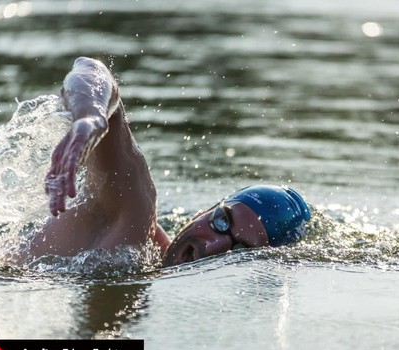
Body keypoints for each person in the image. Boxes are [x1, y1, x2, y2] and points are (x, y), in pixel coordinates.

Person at [20, 57, 310, 267]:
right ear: (202, 212)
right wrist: (91, 116)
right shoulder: (133, 222)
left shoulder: (146, 268)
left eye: (240, 251)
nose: (213, 245)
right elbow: (91, 69)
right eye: (222, 221)